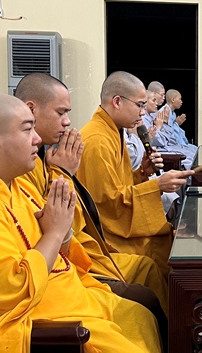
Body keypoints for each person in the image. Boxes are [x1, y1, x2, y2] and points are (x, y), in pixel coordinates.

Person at [0, 94, 161, 353]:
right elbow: (9, 288)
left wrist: (62, 231)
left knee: (141, 318)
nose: (37, 139)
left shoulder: (17, 182)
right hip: (36, 315)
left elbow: (62, 248)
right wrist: (54, 233)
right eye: (27, 129)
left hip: (66, 293)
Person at [14, 73, 170, 338]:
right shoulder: (95, 140)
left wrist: (142, 174)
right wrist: (63, 174)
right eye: (61, 112)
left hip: (81, 249)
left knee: (158, 260)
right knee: (149, 285)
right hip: (82, 254)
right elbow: (100, 205)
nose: (68, 122)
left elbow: (105, 194)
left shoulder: (43, 159)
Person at [77, 71, 193, 275]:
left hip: (119, 225)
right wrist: (157, 185)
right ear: (117, 102)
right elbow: (108, 204)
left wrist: (142, 173)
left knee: (172, 242)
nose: (143, 113)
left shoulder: (113, 131)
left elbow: (120, 184)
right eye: (139, 105)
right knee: (159, 256)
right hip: (109, 237)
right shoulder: (97, 140)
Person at [143, 90, 197, 168]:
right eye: (154, 100)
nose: (157, 103)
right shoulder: (146, 118)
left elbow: (165, 136)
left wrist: (171, 125)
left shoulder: (153, 115)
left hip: (167, 145)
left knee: (194, 151)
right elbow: (159, 141)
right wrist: (160, 126)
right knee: (189, 158)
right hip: (161, 149)